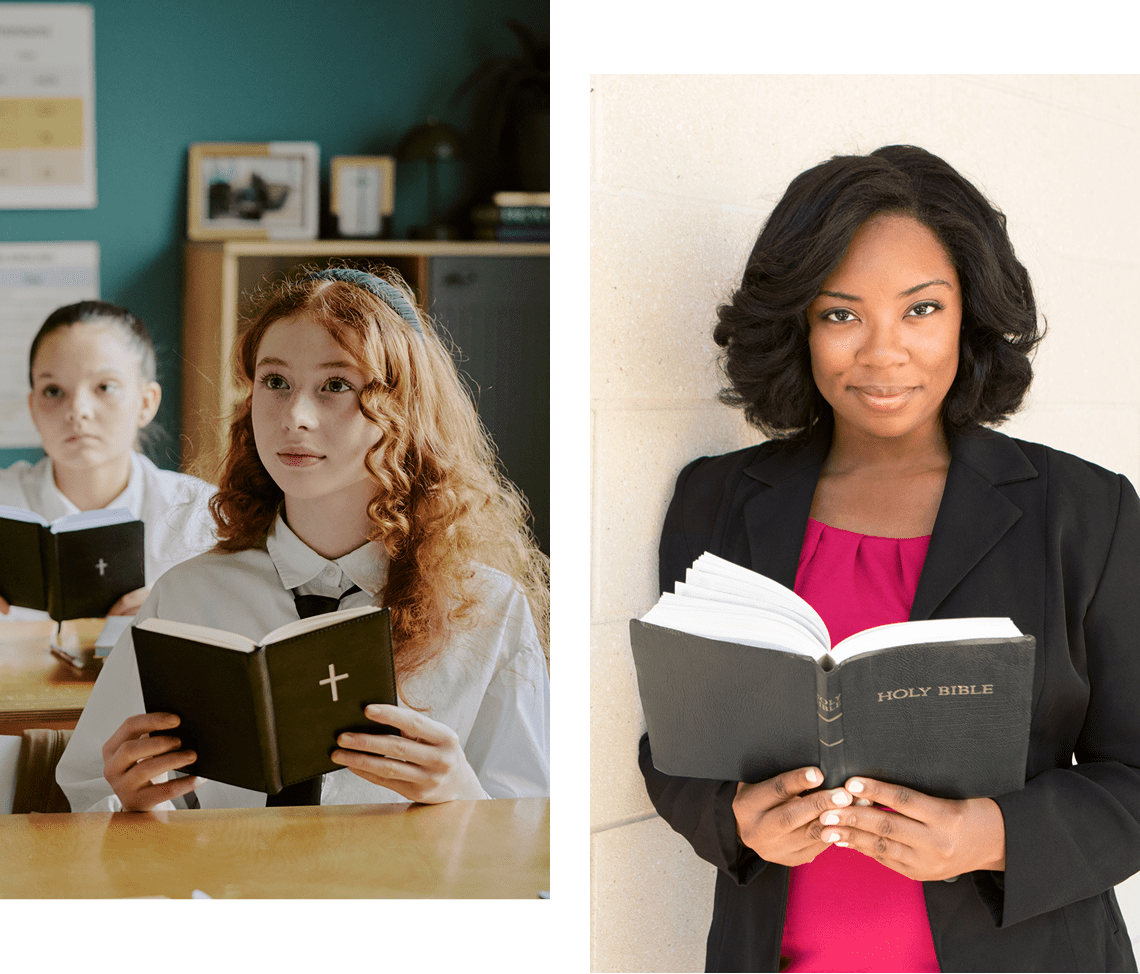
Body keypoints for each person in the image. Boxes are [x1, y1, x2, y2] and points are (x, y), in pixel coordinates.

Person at [640, 146, 1140, 972]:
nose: (882, 353)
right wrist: (737, 818)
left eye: (920, 310)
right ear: (797, 323)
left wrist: (989, 835)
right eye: (842, 314)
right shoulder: (716, 500)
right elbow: (675, 748)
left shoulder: (1086, 513)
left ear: (969, 314)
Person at [57, 266, 549, 812]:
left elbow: (533, 834)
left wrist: (459, 791)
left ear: (402, 409)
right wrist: (134, 802)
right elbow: (87, 791)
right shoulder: (184, 599)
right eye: (275, 382)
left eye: (335, 385)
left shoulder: (489, 609)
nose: (295, 416)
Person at [0, 300, 216, 618]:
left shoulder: (200, 517)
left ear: (146, 402)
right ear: (33, 408)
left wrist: (185, 614)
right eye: (53, 391)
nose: (78, 411)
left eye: (104, 387)